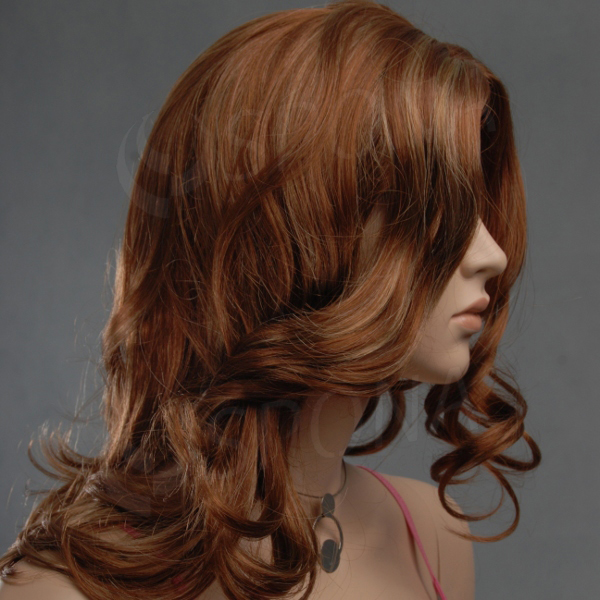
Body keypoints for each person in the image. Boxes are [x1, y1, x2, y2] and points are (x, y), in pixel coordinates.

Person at [0, 1, 541, 599]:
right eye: (437, 210)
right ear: (297, 233)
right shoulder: (54, 591)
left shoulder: (434, 535)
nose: (493, 254)